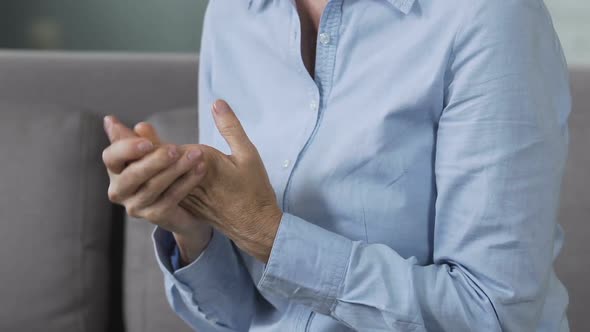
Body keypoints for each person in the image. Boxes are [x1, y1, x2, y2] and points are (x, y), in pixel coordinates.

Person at [101, 0, 571, 331]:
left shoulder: (490, 16)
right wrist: (193, 227)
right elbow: (236, 318)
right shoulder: (232, 13)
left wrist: (266, 234)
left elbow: (492, 316)